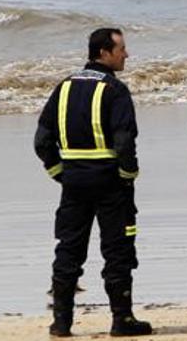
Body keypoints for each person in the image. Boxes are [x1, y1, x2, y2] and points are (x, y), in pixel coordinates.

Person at [34, 28, 152, 337]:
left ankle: (61, 323)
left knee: (69, 250)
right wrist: (128, 176)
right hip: (111, 185)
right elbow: (125, 143)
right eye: (121, 48)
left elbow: (42, 141)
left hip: (73, 184)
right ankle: (122, 320)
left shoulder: (63, 88)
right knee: (118, 250)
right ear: (104, 53)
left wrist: (60, 173)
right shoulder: (115, 90)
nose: (126, 54)